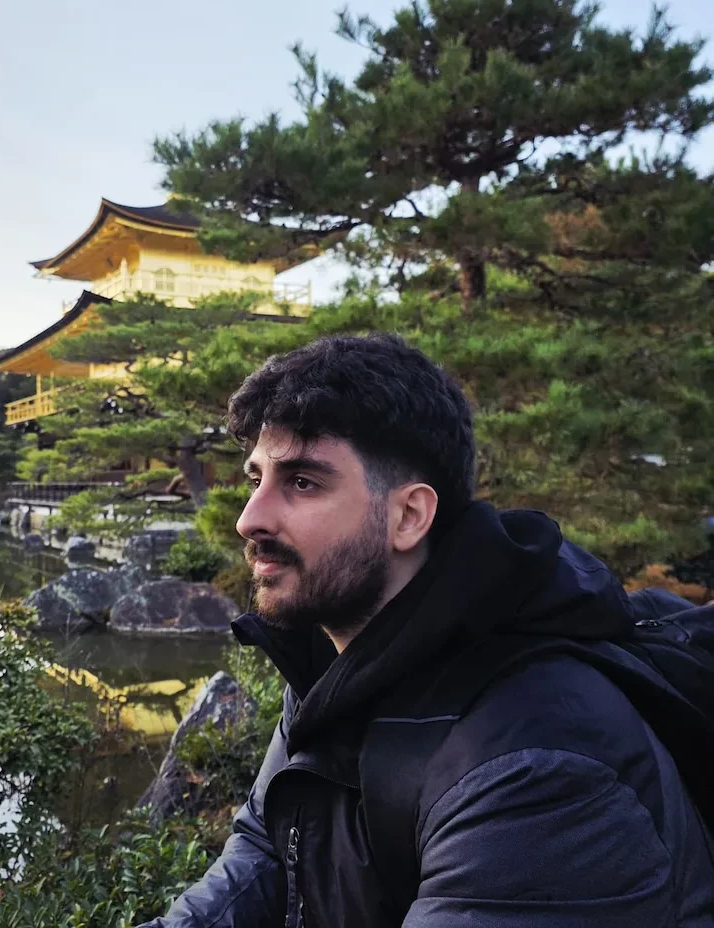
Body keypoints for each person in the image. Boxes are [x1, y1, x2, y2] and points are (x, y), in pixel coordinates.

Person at [136, 333, 714, 927]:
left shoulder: (535, 761)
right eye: (256, 479)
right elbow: (265, 850)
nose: (248, 518)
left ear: (408, 516)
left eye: (302, 482)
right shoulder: (331, 655)